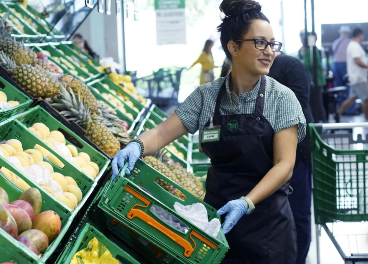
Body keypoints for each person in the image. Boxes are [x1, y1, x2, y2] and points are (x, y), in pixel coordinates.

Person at [112, 0, 306, 263]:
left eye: (273, 44)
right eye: (260, 42)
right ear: (234, 47)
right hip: (214, 225)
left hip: (267, 229)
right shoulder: (208, 96)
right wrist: (137, 146)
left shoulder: (281, 98)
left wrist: (247, 202)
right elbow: (161, 133)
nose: (269, 51)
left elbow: (285, 165)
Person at [268, 52, 313, 264]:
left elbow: (299, 106)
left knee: (297, 214)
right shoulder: (239, 71)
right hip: (264, 157)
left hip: (297, 153)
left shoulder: (291, 66)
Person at [338, 28, 368, 120]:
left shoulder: (353, 45)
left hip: (355, 78)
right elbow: (357, 60)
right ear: (359, 35)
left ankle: (338, 114)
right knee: (366, 100)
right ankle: (367, 121)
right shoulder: (354, 46)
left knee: (352, 99)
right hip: (358, 78)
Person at [301, 32, 327, 122]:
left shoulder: (312, 50)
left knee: (317, 104)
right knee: (317, 103)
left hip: (317, 81)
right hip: (315, 80)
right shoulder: (311, 50)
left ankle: (323, 124)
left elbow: (308, 64)